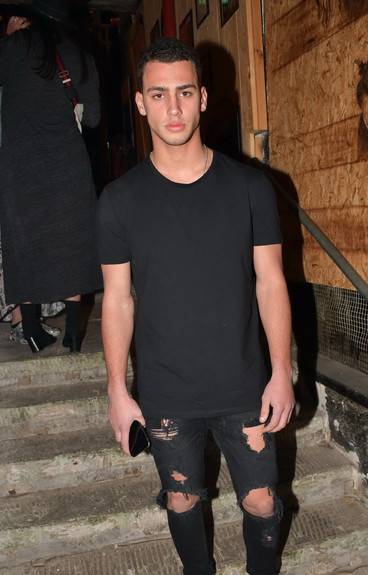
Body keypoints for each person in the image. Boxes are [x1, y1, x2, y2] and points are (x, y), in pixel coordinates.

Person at [97, 36, 295, 575]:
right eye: (158, 95)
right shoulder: (119, 200)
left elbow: (271, 283)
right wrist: (117, 390)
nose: (173, 108)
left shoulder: (251, 188)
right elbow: (117, 300)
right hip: (166, 389)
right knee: (181, 499)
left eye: (184, 92)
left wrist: (282, 371)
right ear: (141, 104)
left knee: (261, 501)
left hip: (243, 383)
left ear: (203, 98)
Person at [0, 0, 102, 353]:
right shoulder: (81, 56)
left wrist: (8, 37)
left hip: (19, 165)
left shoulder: (14, 46)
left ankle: (30, 328)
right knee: (71, 239)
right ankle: (73, 332)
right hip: (68, 161)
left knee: (24, 242)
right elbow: (93, 119)